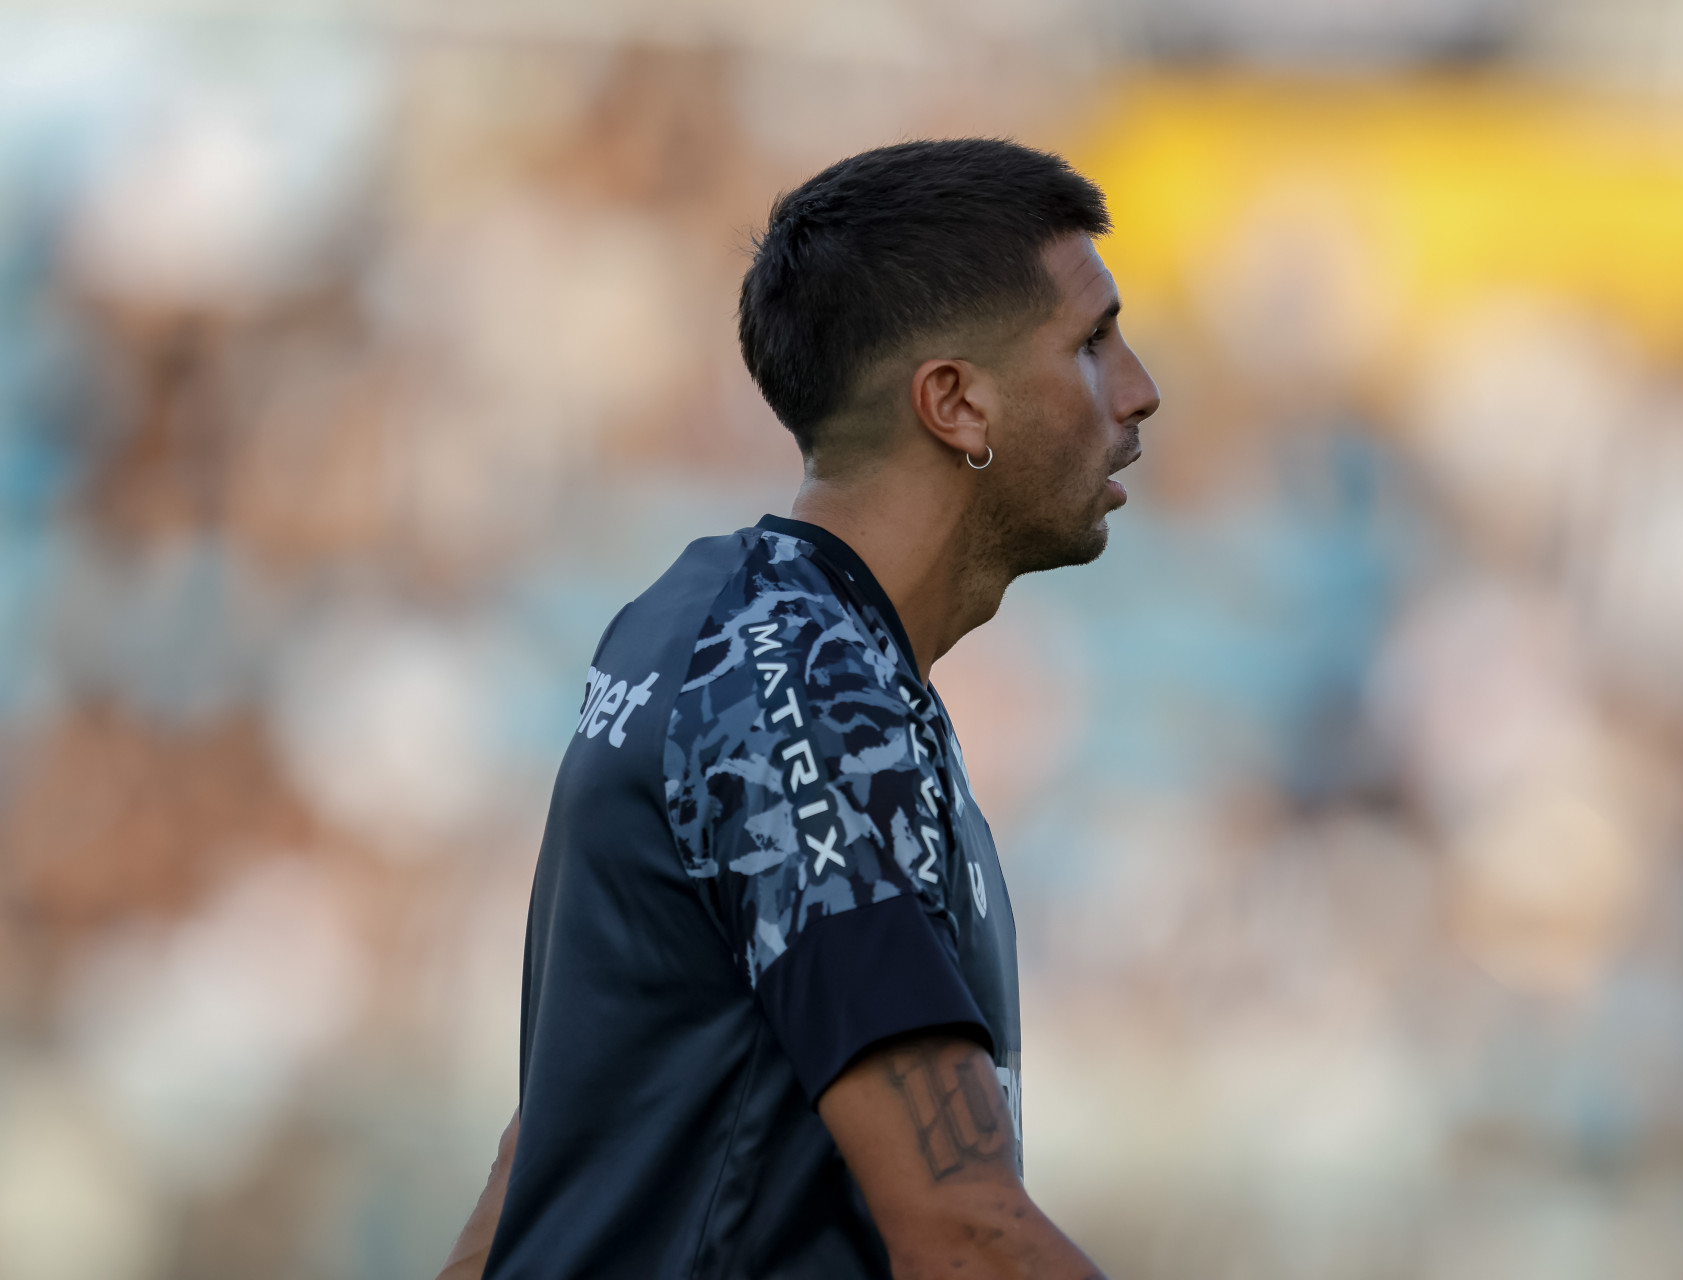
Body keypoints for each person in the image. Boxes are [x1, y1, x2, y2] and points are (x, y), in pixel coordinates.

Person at [439, 137, 1160, 1280]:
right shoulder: (808, 692)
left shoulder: (727, 630)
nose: (1138, 388)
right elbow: (962, 1229)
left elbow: (566, 1130)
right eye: (1090, 343)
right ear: (956, 403)